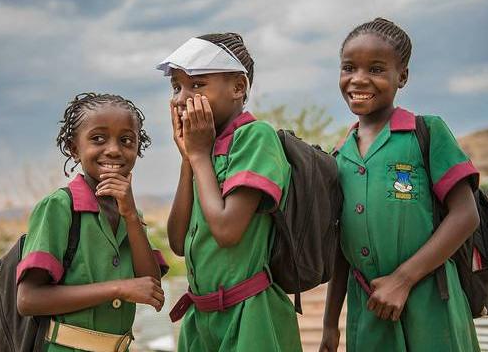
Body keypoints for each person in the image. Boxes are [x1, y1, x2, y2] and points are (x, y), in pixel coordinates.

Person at [320, 18, 481, 352]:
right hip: (369, 310)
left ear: (402, 76)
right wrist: (329, 324)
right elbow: (340, 247)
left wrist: (402, 280)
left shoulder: (426, 133)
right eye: (349, 67)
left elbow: (466, 215)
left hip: (431, 302)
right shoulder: (338, 156)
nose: (359, 79)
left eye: (376, 69)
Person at [160, 33, 302, 351]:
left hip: (250, 317)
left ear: (238, 87)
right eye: (177, 87)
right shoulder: (203, 150)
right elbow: (179, 242)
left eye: (197, 85)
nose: (182, 98)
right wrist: (188, 159)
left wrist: (198, 156)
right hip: (201, 321)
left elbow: (226, 231)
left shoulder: (255, 137)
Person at [16, 92, 166, 351]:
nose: (113, 150)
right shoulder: (60, 207)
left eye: (127, 141)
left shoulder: (131, 214)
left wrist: (130, 216)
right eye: (98, 138)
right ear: (75, 149)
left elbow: (150, 285)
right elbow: (28, 299)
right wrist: (118, 288)